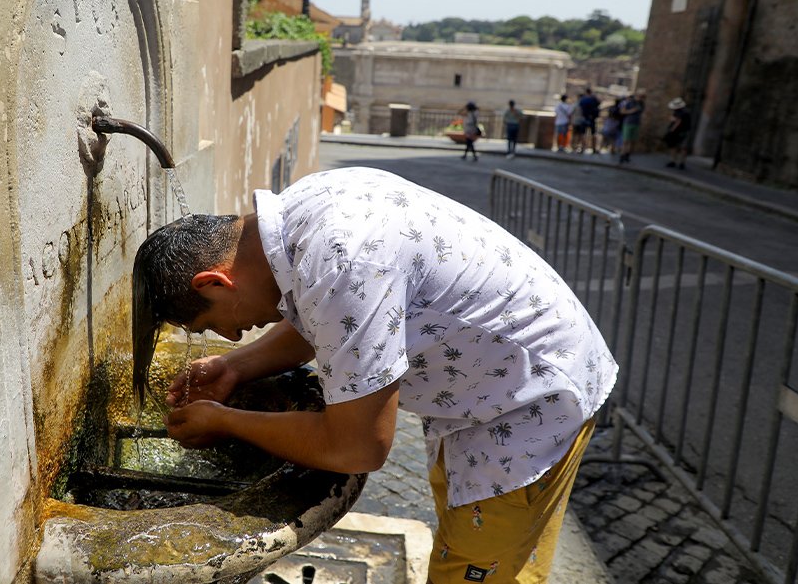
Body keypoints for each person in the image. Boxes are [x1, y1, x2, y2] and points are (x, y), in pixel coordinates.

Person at [137, 167, 618, 583]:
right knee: (501, 549)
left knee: (476, 566)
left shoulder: (344, 263)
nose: (229, 333)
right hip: (488, 386)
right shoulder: (303, 214)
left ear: (214, 282)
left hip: (531, 404)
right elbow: (338, 323)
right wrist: (235, 366)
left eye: (211, 324)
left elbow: (357, 448)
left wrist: (224, 421)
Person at [618, 89, 646, 164]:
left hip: (636, 123)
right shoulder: (630, 102)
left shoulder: (642, 104)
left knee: (632, 141)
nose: (641, 98)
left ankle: (627, 155)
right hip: (628, 123)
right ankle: (622, 155)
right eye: (641, 96)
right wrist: (632, 111)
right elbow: (622, 111)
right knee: (626, 140)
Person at [663, 97, 692, 170]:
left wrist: (672, 130)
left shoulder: (679, 112)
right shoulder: (686, 112)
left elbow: (677, 122)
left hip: (678, 132)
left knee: (674, 146)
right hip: (685, 131)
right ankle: (682, 163)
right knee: (683, 148)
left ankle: (673, 161)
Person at [577, 88, 602, 154]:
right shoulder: (594, 99)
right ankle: (594, 148)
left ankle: (582, 148)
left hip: (584, 117)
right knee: (593, 133)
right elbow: (599, 104)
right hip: (592, 118)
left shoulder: (583, 99)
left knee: (583, 133)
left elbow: (580, 107)